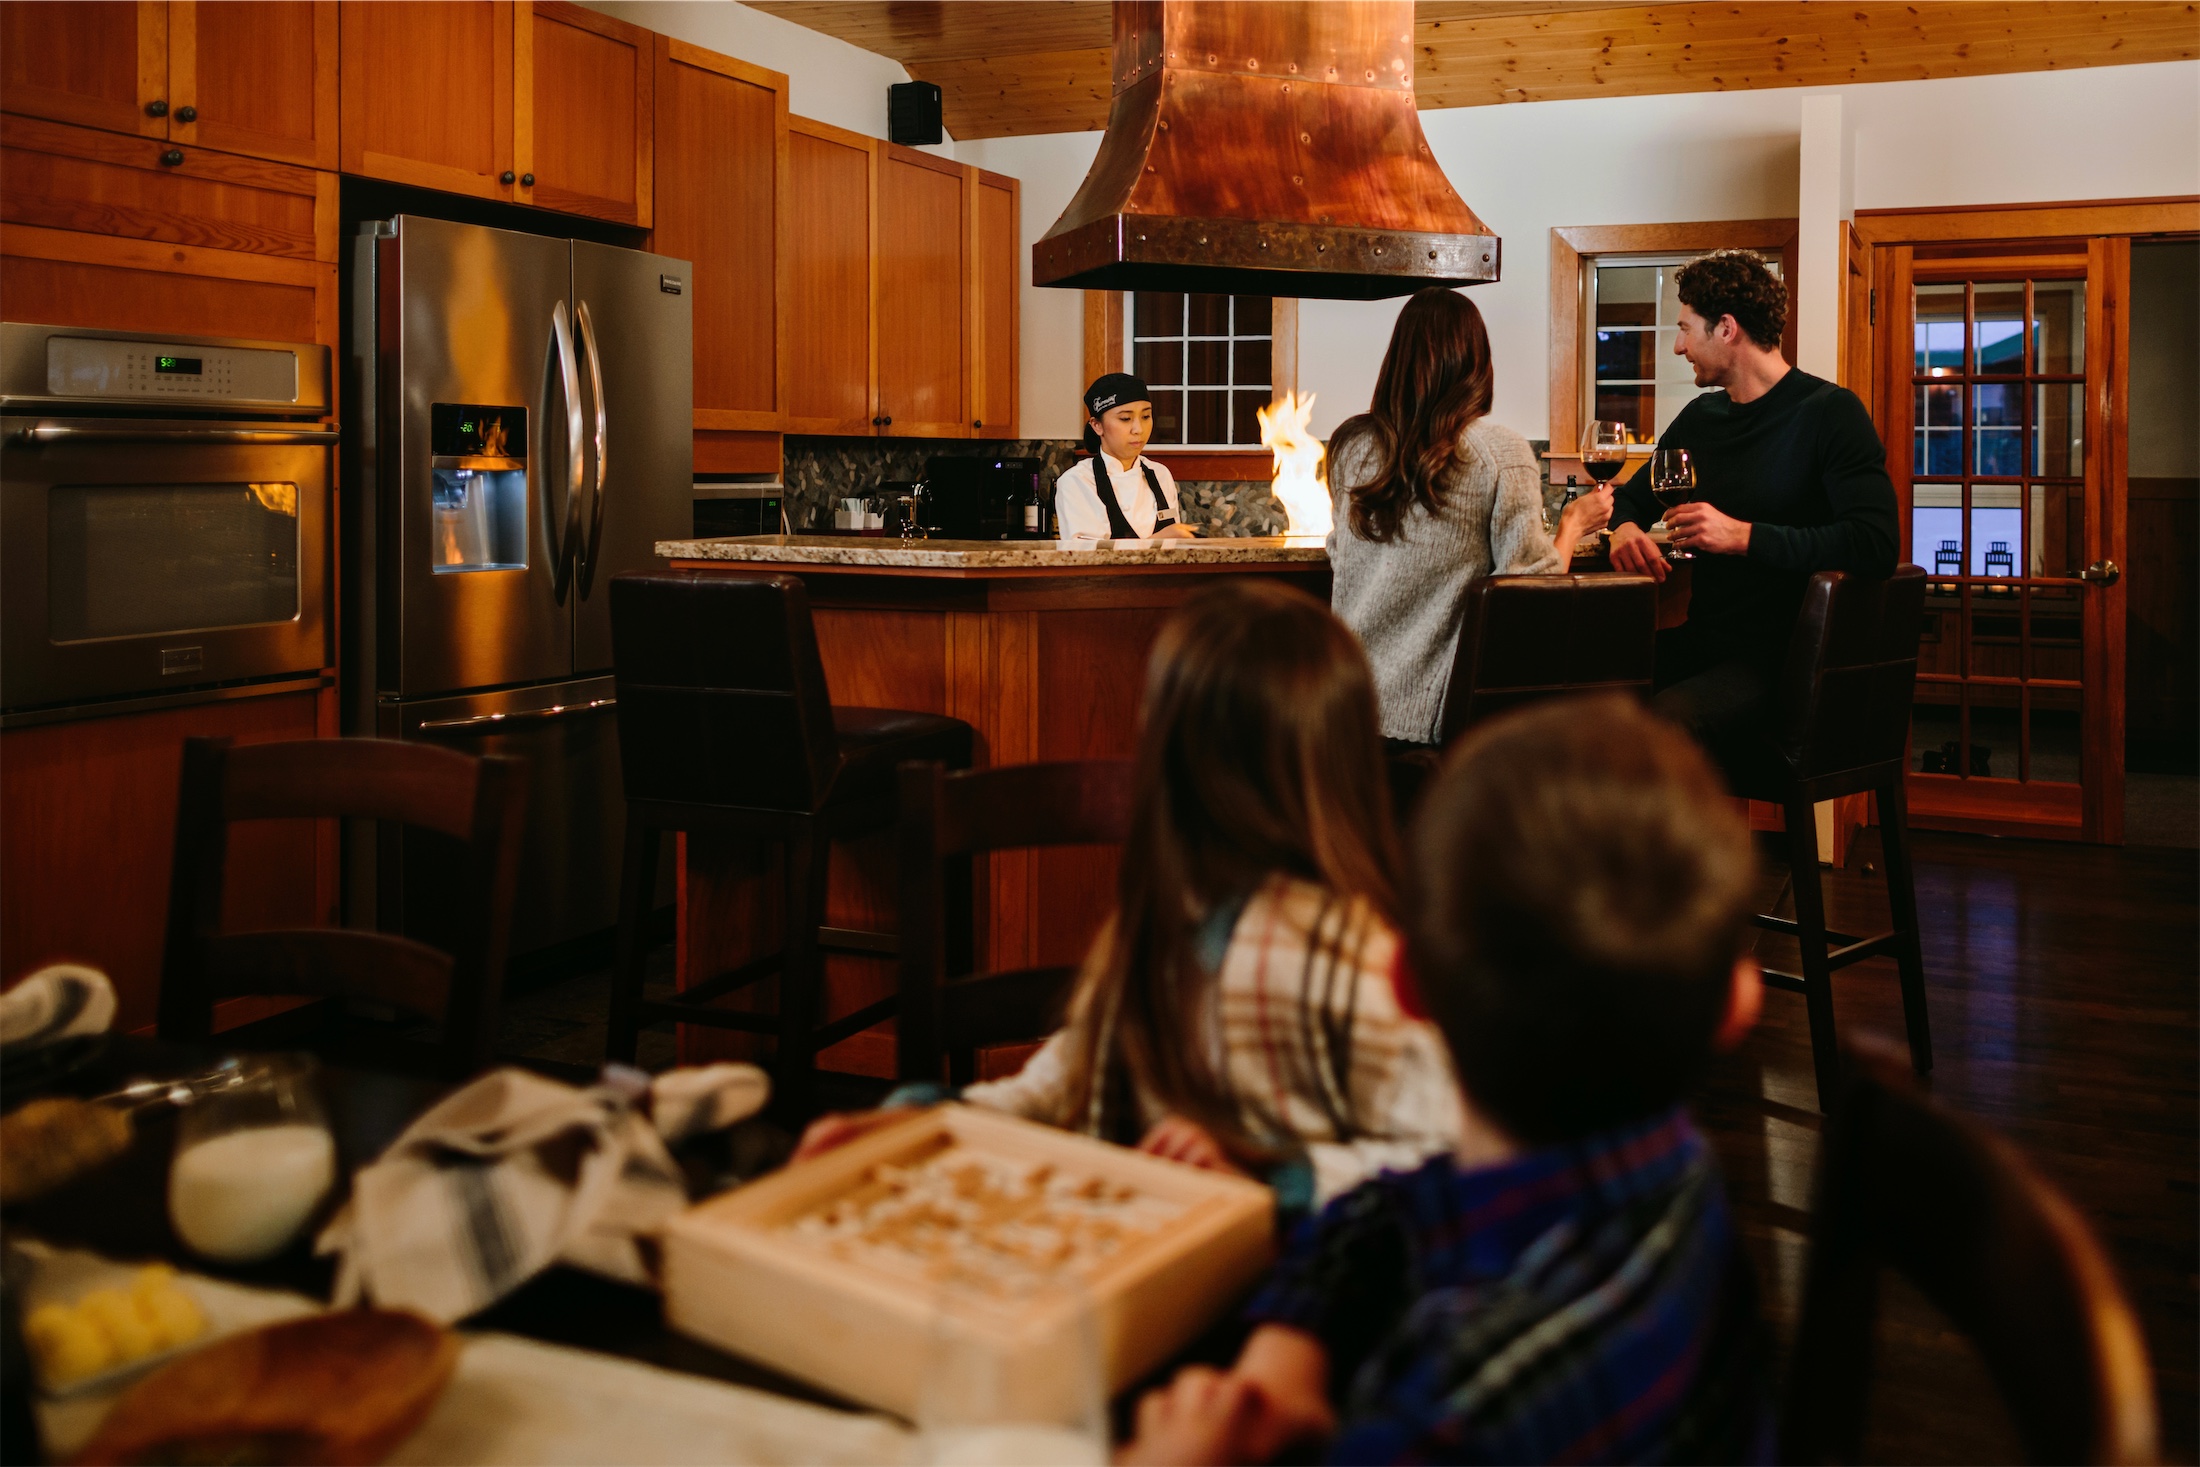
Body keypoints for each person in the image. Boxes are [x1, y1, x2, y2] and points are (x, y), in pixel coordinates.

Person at [1120, 695, 1775, 1466]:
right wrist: (1289, 1346)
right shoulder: (1671, 1179)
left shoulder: (1445, 1425)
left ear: (1406, 988)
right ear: (1739, 1002)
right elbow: (1395, 1205)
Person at [797, 580, 1465, 1212]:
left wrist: (1274, 1176)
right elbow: (1062, 1084)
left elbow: (1444, 1154)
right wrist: (928, 1120)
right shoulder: (1164, 923)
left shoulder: (1358, 961)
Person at [1608, 248, 1899, 758]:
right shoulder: (1701, 419)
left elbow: (1875, 545)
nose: (1677, 346)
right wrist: (1625, 528)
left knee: (1659, 728)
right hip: (1704, 643)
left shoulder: (1830, 414)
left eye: (1684, 328)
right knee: (1573, 690)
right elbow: (1630, 500)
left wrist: (1743, 536)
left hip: (1785, 660)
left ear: (1725, 328)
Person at [1327, 288, 1615, 746]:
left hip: (1342, 707)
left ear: (1396, 360)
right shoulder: (1500, 451)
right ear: (1477, 362)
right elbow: (1532, 590)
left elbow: (1342, 557)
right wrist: (1573, 526)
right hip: (1428, 726)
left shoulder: (1350, 447)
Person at [1053, 373, 1200, 541]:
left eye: (1145, 416)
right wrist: (1157, 541)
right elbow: (1088, 559)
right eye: (1125, 418)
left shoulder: (1160, 474)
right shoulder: (1077, 481)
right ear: (1097, 425)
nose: (1138, 429)